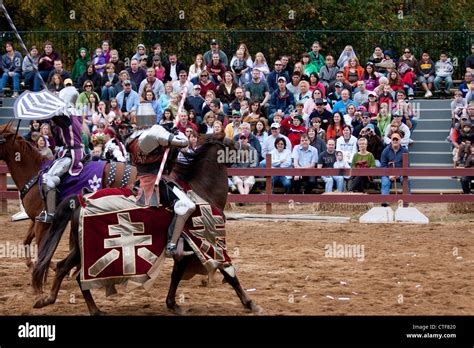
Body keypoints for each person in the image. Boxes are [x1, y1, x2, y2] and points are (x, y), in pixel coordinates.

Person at [36, 87, 84, 223]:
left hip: (72, 153)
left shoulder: (66, 117)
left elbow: (56, 117)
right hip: (71, 150)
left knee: (48, 178)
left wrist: (48, 101)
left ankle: (51, 214)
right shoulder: (75, 113)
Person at [231, 130, 258, 195]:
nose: (243, 140)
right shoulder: (235, 150)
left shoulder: (253, 150)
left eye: (244, 138)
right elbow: (233, 164)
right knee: (239, 182)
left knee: (247, 183)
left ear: (247, 139)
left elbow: (254, 163)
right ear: (239, 140)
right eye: (241, 138)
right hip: (237, 173)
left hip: (249, 173)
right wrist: (239, 172)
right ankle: (244, 198)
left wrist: (247, 172)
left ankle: (243, 198)